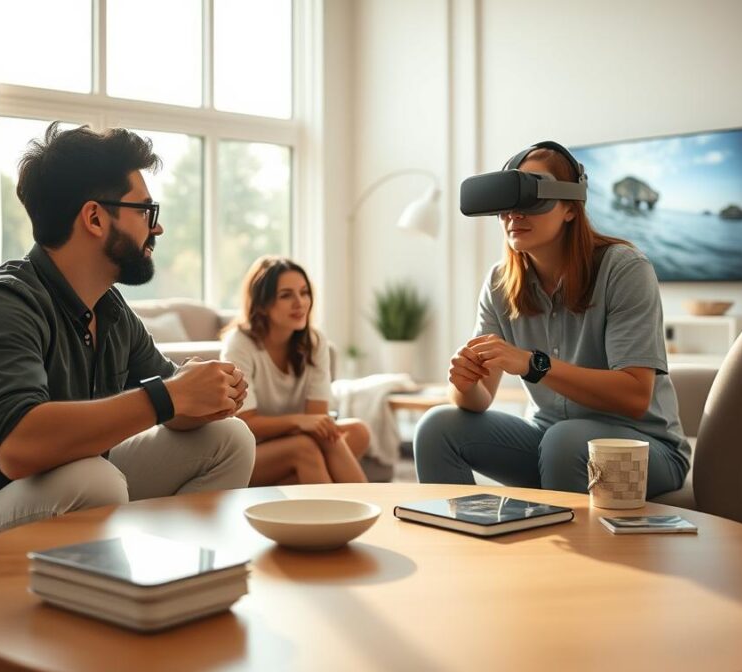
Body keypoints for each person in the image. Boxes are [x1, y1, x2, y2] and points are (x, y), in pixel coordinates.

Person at [0, 123, 255, 576]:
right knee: (94, 480)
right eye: (145, 211)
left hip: (66, 494)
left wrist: (210, 394)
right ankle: (92, 612)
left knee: (228, 440)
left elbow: (174, 403)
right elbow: (18, 445)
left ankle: (177, 583)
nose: (158, 226)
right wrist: (169, 397)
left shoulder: (110, 310)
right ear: (94, 218)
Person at [414, 142, 690, 497]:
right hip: (549, 443)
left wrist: (534, 364)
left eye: (531, 198)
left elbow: (635, 395)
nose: (515, 214)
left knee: (566, 439)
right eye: (508, 203)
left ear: (570, 208)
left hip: (644, 450)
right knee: (437, 426)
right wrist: (464, 383)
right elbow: (479, 400)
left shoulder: (624, 269)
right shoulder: (501, 284)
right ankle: (461, 544)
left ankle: (572, 553)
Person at [221, 256, 371, 485]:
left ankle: (302, 486)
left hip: (296, 438)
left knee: (357, 432)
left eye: (304, 292)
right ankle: (337, 516)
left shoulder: (315, 341)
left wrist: (305, 423)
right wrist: (299, 422)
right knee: (305, 448)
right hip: (248, 452)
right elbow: (246, 424)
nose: (300, 303)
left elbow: (317, 420)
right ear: (262, 304)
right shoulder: (239, 343)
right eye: (286, 295)